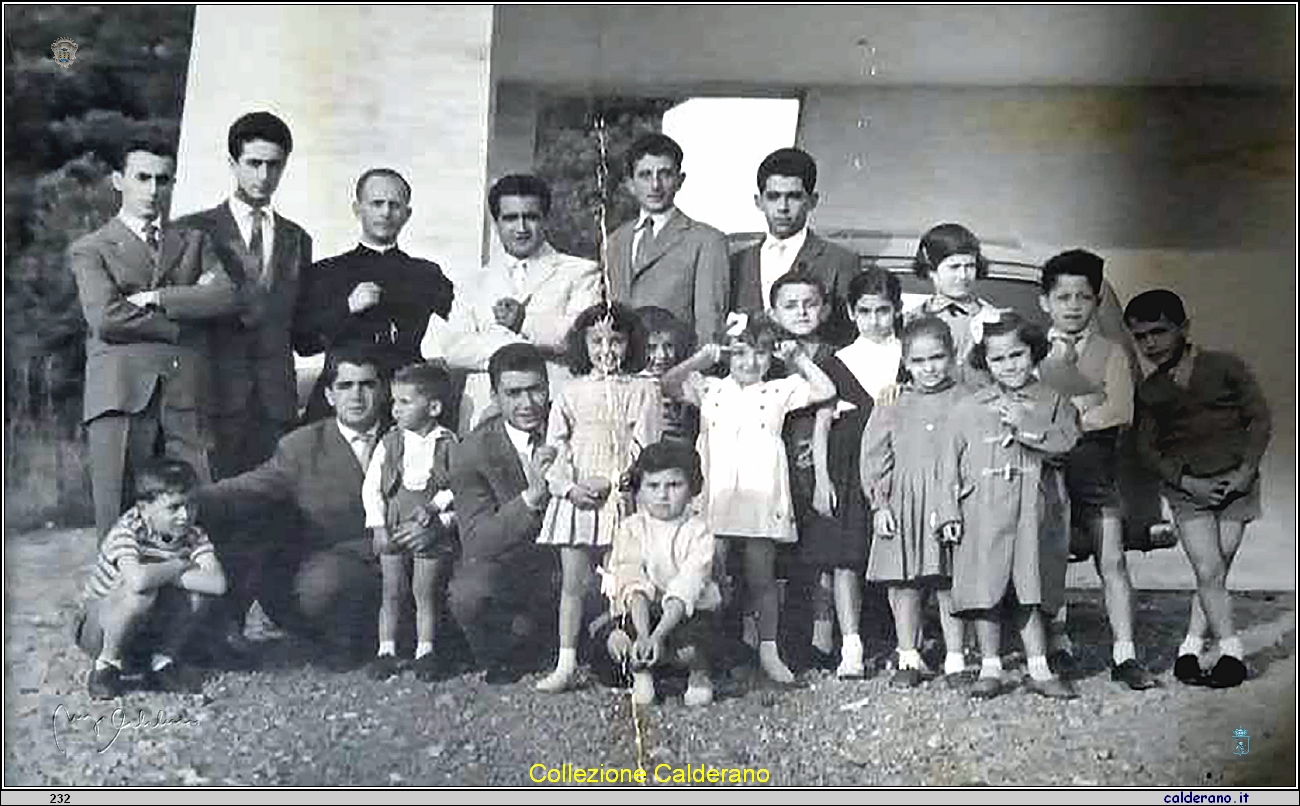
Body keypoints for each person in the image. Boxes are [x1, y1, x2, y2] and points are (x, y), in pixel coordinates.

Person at [174, 111, 313, 667]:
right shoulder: (196, 229)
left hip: (275, 399)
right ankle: (198, 630)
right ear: (233, 162)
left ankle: (235, 624)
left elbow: (299, 324)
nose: (262, 175)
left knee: (261, 511)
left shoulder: (298, 238)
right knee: (211, 510)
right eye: (252, 163)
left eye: (273, 165)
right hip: (216, 394)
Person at [70, 136, 237, 537]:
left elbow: (225, 296)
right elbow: (107, 317)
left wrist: (156, 297)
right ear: (118, 180)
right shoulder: (91, 248)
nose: (152, 189)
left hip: (185, 393)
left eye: (163, 179)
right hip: (121, 394)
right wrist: (183, 323)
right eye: (141, 177)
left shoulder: (194, 241)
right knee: (120, 515)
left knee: (195, 509)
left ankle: (191, 599)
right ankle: (120, 600)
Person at [192, 345, 396, 668]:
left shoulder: (407, 437)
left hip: (406, 562)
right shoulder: (302, 447)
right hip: (338, 567)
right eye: (345, 386)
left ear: (384, 391)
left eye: (367, 385)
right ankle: (344, 641)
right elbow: (246, 488)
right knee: (323, 585)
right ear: (329, 395)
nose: (356, 396)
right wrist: (187, 501)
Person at [662, 312, 836, 684]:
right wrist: (701, 359)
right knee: (710, 577)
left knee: (762, 578)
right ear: (727, 353)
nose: (749, 362)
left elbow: (825, 390)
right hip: (717, 495)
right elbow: (667, 383)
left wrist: (798, 359)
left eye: (760, 353)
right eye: (740, 352)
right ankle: (707, 657)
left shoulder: (778, 389)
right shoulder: (708, 387)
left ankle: (769, 653)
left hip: (762, 495)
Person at [1125, 290, 1271, 689]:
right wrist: (1186, 481)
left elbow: (1258, 419)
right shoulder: (1151, 390)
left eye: (1159, 331)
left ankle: (1189, 648)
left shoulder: (1225, 367)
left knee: (1216, 572)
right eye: (1140, 337)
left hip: (1236, 485)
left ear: (1184, 328)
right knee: (1208, 568)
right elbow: (1147, 448)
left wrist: (1245, 471)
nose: (1150, 343)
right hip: (1189, 492)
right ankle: (1231, 654)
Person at [941, 312, 1081, 700]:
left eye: (1017, 355)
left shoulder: (1053, 402)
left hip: (1034, 514)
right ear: (985, 362)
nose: (1010, 365)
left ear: (1034, 352)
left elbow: (1067, 443)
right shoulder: (969, 408)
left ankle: (1038, 665)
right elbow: (947, 465)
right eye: (999, 359)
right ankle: (990, 666)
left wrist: (1026, 423)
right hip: (982, 514)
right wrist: (949, 512)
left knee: (1030, 587)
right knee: (986, 589)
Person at [1036, 250, 1157, 690]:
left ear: (1096, 302)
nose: (1072, 306)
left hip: (1096, 471)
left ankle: (1125, 653)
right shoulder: (1033, 350)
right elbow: (1029, 407)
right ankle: (1058, 643)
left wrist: (1065, 418)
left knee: (1113, 558)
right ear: (1044, 301)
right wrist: (1084, 407)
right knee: (1050, 559)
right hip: (1048, 473)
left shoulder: (1112, 354)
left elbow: (1120, 409)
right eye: (1063, 296)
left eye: (1083, 297)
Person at [534, 303, 662, 692]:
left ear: (630, 344)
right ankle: (566, 662)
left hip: (622, 496)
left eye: (617, 341)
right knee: (574, 583)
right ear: (583, 345)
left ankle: (632, 664)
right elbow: (554, 449)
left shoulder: (643, 389)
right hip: (578, 499)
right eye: (596, 341)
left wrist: (628, 481)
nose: (607, 350)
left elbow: (648, 446)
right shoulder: (570, 392)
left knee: (625, 582)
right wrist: (570, 487)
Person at [421, 174, 601, 433]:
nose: (521, 228)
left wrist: (523, 323)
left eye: (531, 217)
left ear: (546, 219)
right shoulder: (473, 282)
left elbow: (579, 337)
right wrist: (523, 349)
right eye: (510, 218)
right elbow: (455, 349)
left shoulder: (580, 272)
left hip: (557, 408)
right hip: (485, 413)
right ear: (496, 223)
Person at [764, 272, 873, 677]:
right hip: (777, 468)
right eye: (790, 305)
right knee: (781, 560)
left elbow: (853, 410)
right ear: (773, 312)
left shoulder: (837, 358)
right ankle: (775, 641)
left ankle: (823, 641)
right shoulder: (764, 358)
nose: (802, 312)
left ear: (825, 308)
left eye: (810, 303)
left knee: (826, 556)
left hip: (823, 470)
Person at [294, 168, 454, 422]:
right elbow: (303, 344)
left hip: (405, 399)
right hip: (343, 398)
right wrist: (347, 307)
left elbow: (460, 324)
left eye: (395, 205)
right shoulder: (326, 273)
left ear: (407, 214)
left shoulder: (426, 274)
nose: (386, 212)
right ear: (358, 210)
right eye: (377, 203)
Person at [861, 316, 968, 688]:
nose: (929, 369)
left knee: (948, 581)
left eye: (937, 358)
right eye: (919, 362)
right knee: (903, 582)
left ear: (953, 356)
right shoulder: (893, 401)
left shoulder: (967, 398)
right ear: (906, 363)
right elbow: (875, 456)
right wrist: (881, 505)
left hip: (950, 500)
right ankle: (909, 655)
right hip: (904, 502)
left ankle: (956, 658)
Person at [447, 344, 562, 683]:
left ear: (548, 387)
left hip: (569, 559)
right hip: (510, 565)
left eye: (536, 390)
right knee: (469, 593)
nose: (527, 404)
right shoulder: (472, 450)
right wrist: (532, 498)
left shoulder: (571, 425)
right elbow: (478, 542)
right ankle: (509, 649)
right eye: (514, 393)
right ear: (495, 396)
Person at [76, 459, 227, 699]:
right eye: (174, 507)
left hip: (145, 626)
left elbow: (217, 584)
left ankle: (162, 662)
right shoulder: (126, 531)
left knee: (199, 595)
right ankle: (107, 665)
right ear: (144, 508)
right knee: (141, 595)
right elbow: (137, 581)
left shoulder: (193, 535)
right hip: (100, 627)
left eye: (191, 505)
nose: (185, 515)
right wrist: (178, 565)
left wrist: (160, 575)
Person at [602, 441, 721, 707]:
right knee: (618, 641)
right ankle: (643, 671)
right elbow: (634, 586)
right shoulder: (631, 529)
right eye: (653, 486)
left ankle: (698, 673)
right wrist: (645, 635)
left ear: (692, 488)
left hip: (687, 613)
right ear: (639, 491)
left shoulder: (699, 531)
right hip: (644, 612)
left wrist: (658, 637)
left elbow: (686, 587)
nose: (663, 495)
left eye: (674, 485)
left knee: (695, 643)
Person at [361, 362, 459, 682]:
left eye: (405, 402)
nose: (395, 409)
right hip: (393, 525)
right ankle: (386, 650)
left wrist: (434, 507)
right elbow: (372, 487)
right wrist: (377, 525)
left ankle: (425, 651)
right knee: (391, 590)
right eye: (394, 402)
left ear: (433, 407)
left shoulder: (448, 443)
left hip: (428, 530)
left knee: (424, 590)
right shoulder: (390, 442)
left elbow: (458, 485)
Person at [605, 133, 730, 347]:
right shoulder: (615, 240)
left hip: (677, 366)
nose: (655, 185)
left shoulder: (707, 240)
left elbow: (710, 323)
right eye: (645, 175)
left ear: (680, 181)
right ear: (630, 184)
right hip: (623, 368)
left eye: (665, 174)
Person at [729, 147, 858, 347]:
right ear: (758, 201)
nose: (783, 207)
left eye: (794, 196)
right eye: (773, 196)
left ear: (812, 201)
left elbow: (846, 337)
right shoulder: (736, 262)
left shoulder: (840, 261)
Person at [906, 223, 996, 383]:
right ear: (931, 270)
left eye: (970, 266)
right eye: (954, 267)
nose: (963, 275)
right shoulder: (911, 320)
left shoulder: (994, 318)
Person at [636, 306, 700, 445]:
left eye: (669, 346)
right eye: (652, 348)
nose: (662, 355)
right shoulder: (633, 382)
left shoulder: (689, 379)